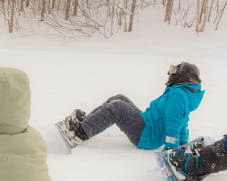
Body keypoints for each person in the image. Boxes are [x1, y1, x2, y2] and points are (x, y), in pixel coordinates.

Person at [60, 62, 205, 150]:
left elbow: (174, 125)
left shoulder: (178, 96)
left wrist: (172, 151)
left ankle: (79, 134)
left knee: (118, 107)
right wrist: (183, 145)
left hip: (147, 136)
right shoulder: (180, 93)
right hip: (147, 124)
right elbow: (184, 123)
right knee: (119, 98)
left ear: (183, 76)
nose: (170, 74)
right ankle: (86, 124)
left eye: (174, 71)